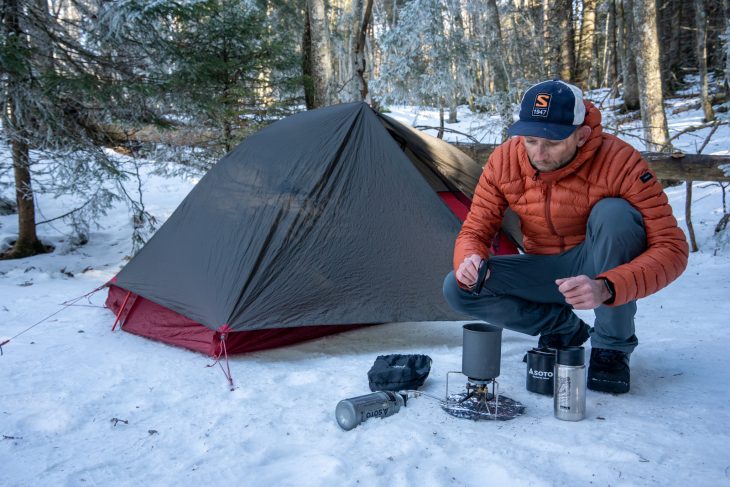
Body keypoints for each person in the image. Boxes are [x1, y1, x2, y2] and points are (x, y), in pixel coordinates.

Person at [442, 79, 689, 394]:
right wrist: (470, 258)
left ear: (581, 135)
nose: (539, 153)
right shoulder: (504, 161)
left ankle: (611, 348)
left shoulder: (620, 162)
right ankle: (563, 328)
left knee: (615, 214)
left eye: (553, 142)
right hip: (541, 267)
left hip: (596, 262)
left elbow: (672, 248)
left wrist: (609, 286)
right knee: (458, 287)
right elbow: (476, 228)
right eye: (530, 140)